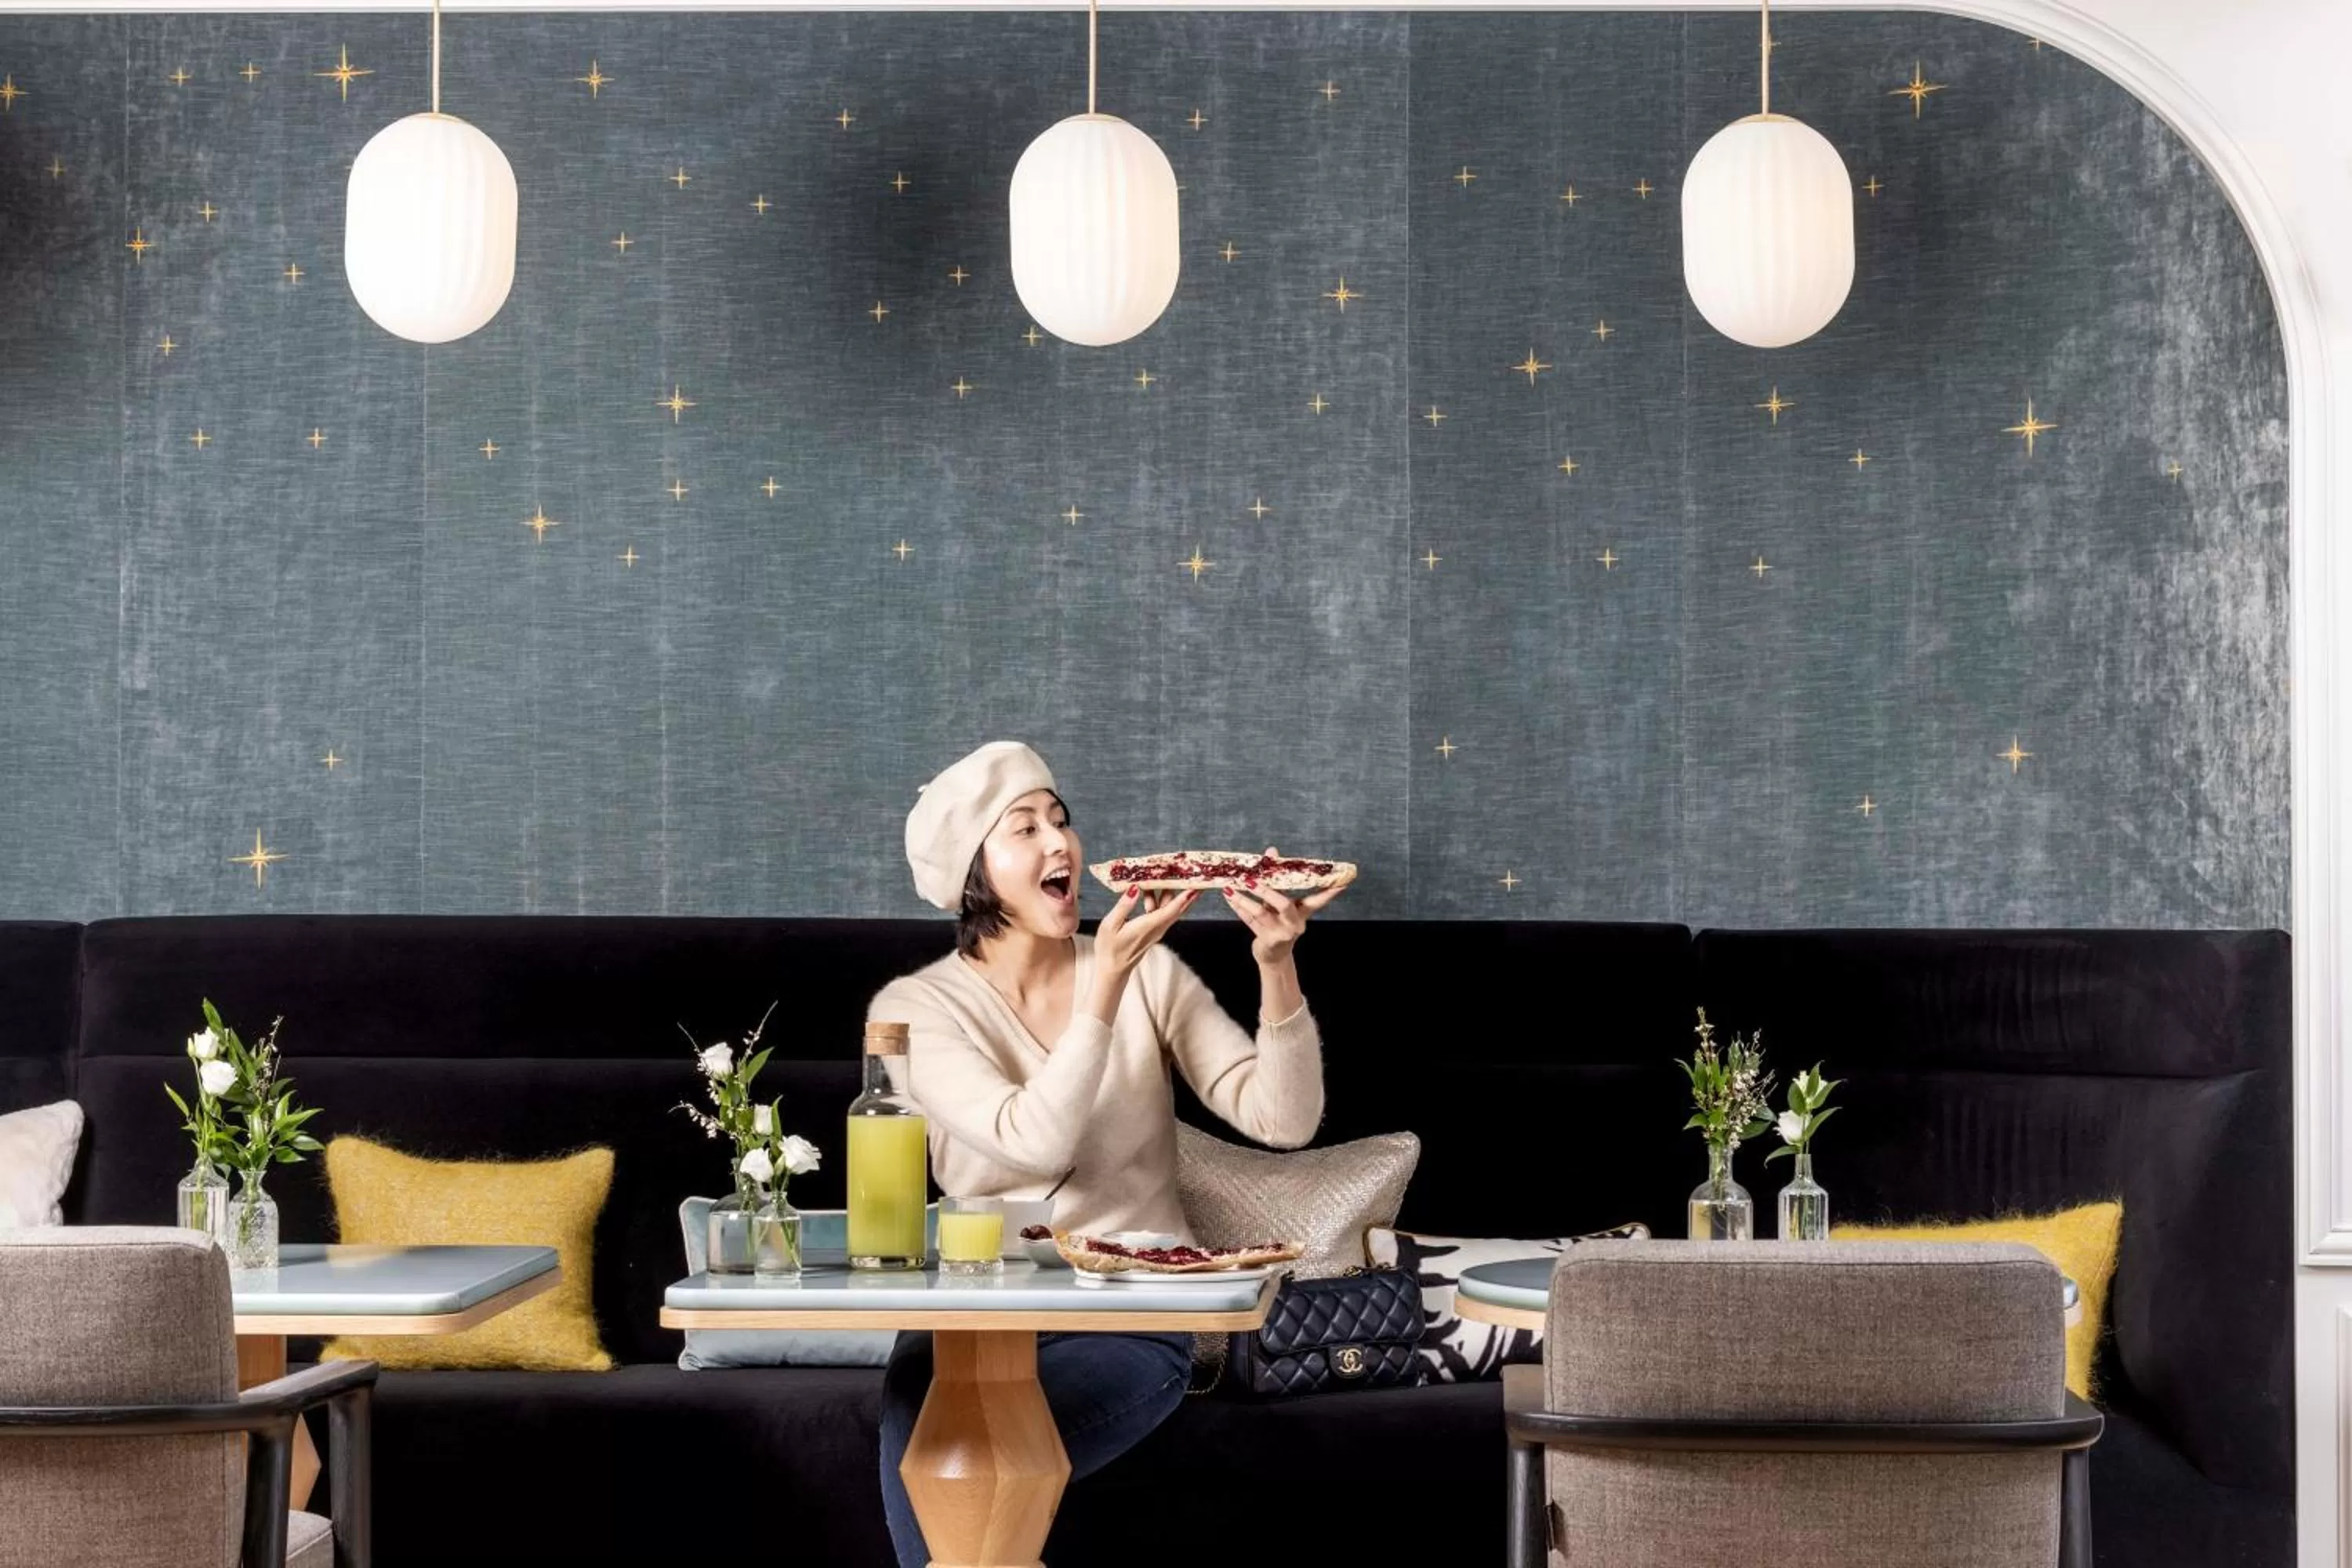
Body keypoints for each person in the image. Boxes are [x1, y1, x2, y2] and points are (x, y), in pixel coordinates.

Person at [866, 740, 1343, 1566]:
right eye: (1024, 827)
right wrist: (1103, 993)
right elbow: (1031, 1135)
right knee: (948, 1462)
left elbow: (1284, 1118)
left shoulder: (1149, 973)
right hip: (968, 1321)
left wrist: (1276, 964)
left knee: (963, 1474)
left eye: (1061, 819)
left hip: (1133, 1318)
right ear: (973, 873)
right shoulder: (919, 1008)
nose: (1061, 843)